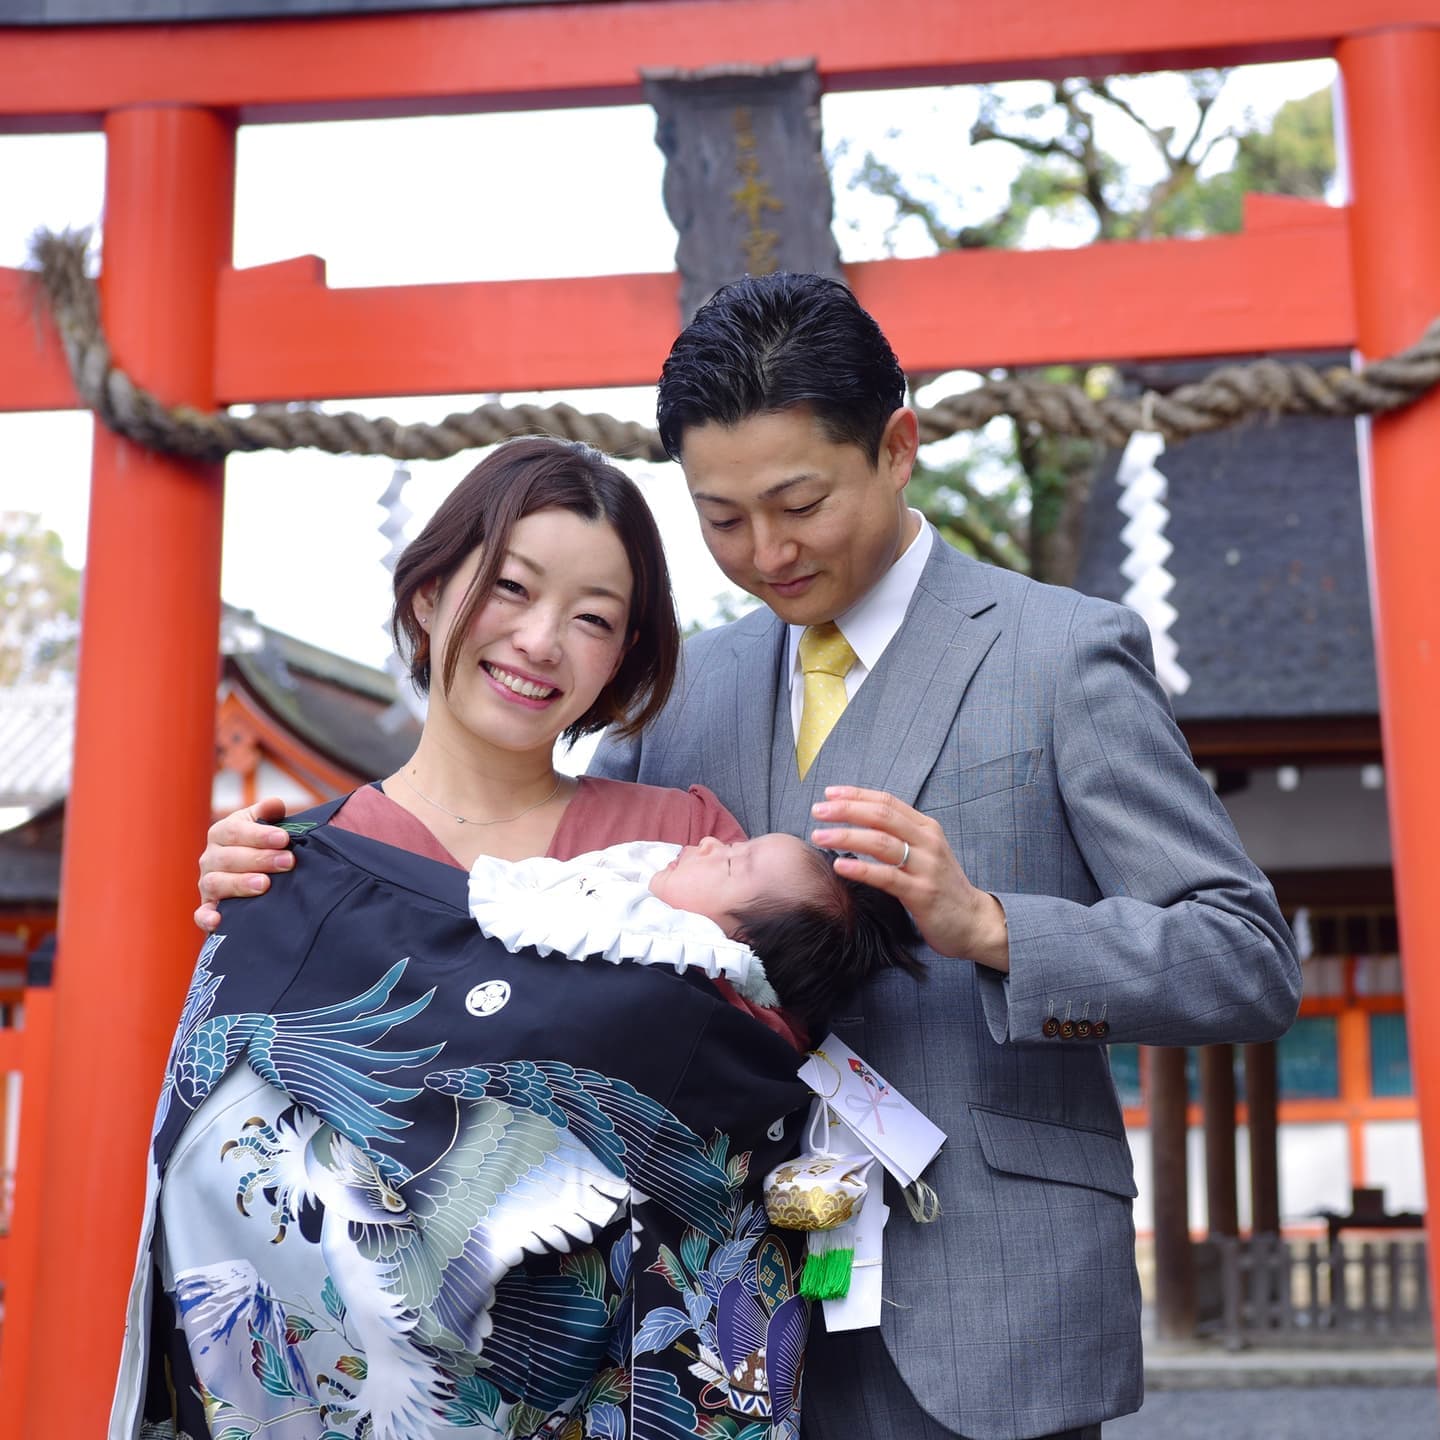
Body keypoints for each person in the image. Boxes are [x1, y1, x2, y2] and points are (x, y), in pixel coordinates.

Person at [198, 276, 1302, 1440]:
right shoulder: (692, 687)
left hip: (985, 1304)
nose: (767, 551)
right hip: (708, 1312)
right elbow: (530, 879)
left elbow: (1246, 958)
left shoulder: (1059, 653)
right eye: (722, 519)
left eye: (799, 502)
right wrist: (302, 864)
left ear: (898, 446)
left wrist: (994, 927)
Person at [116, 438, 833, 1440]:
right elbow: (210, 1149)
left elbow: (745, 1136)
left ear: (622, 658)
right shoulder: (298, 869)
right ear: (427, 594)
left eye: (593, 619)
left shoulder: (684, 846)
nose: (542, 641)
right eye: (510, 587)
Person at [468, 832, 922, 1036]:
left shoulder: (665, 952)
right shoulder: (641, 891)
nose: (708, 843)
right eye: (733, 848)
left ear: (736, 947)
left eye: (728, 863)